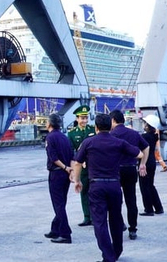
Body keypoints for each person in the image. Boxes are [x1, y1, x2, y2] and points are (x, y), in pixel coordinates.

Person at [71, 113, 143, 262]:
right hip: (114, 184)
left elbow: (77, 163)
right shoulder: (118, 142)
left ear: (96, 127)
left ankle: (108, 256)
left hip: (97, 185)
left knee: (99, 222)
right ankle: (116, 251)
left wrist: (77, 181)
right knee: (116, 220)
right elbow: (140, 153)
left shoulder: (88, 142)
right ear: (111, 126)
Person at [108, 110, 149, 240]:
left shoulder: (111, 135)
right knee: (131, 200)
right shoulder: (133, 133)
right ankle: (133, 229)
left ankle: (120, 224)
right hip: (131, 169)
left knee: (115, 201)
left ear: (113, 120)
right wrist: (143, 163)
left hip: (115, 171)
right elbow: (146, 147)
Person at [44, 112, 74, 244]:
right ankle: (55, 228)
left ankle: (65, 233)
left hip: (57, 172)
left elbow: (53, 158)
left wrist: (65, 168)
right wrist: (70, 170)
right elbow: (72, 155)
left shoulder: (50, 138)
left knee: (58, 204)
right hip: (65, 174)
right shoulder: (64, 137)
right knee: (62, 202)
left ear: (49, 124)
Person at [67, 104, 96, 226]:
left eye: (86, 118)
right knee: (84, 191)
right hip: (81, 167)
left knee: (95, 192)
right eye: (82, 118)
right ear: (77, 119)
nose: (84, 120)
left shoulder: (93, 130)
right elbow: (72, 153)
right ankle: (87, 216)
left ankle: (95, 216)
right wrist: (73, 171)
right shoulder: (72, 134)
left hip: (93, 165)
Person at [139, 115, 165, 216]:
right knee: (150, 185)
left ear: (149, 125)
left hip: (144, 163)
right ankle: (158, 207)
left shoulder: (145, 137)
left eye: (146, 123)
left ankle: (148, 209)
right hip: (152, 162)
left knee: (144, 186)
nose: (144, 125)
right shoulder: (154, 136)